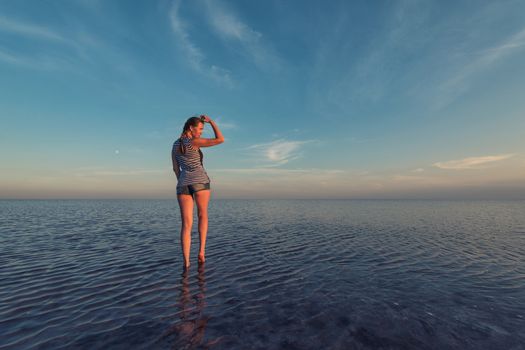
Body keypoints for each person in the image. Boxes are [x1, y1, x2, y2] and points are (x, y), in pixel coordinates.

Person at [172, 115, 224, 269]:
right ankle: (201, 252)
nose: (201, 132)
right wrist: (212, 122)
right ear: (191, 128)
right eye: (200, 129)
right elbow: (220, 139)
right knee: (203, 216)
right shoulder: (194, 141)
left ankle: (186, 262)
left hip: (183, 185)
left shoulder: (175, 144)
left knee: (186, 225)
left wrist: (182, 180)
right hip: (200, 181)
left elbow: (175, 168)